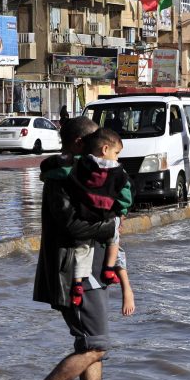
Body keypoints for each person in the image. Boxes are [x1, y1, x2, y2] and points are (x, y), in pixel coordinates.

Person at [21, 117, 119, 380]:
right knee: (96, 346)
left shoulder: (88, 176)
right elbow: (72, 227)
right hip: (73, 270)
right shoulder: (62, 179)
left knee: (91, 344)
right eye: (95, 144)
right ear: (80, 144)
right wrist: (110, 225)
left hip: (93, 269)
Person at [65, 128, 133, 307]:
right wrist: (122, 211)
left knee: (82, 249)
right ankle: (109, 270)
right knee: (114, 240)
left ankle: (77, 283)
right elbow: (126, 195)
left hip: (84, 215)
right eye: (116, 153)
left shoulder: (81, 164)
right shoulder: (118, 171)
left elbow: (62, 171)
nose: (117, 158)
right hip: (106, 216)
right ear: (105, 150)